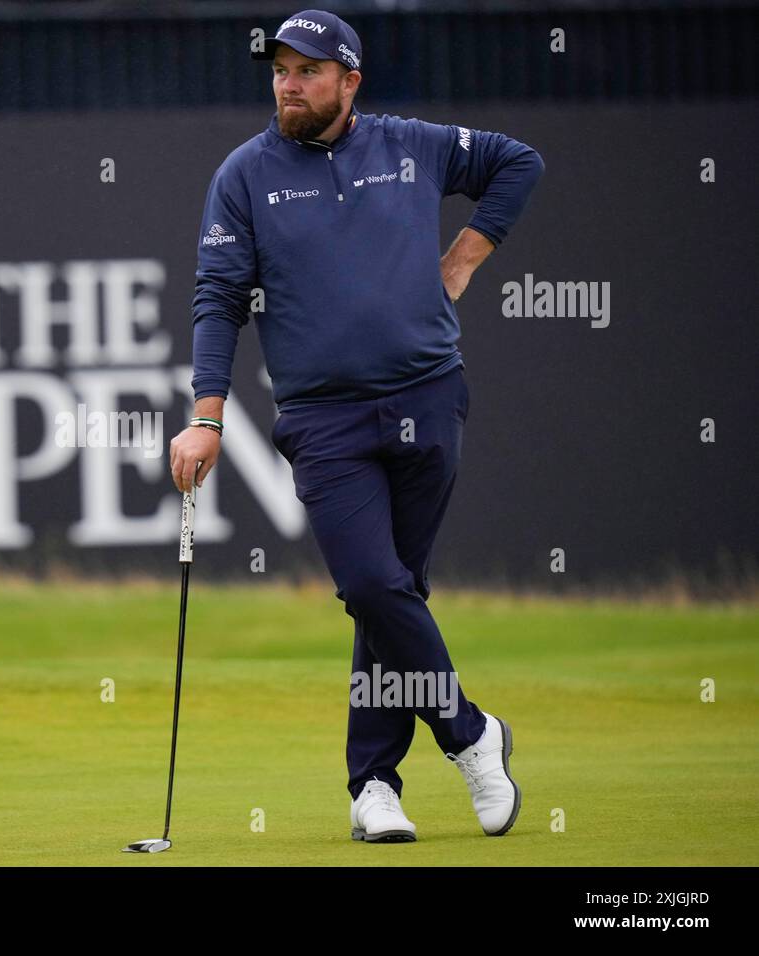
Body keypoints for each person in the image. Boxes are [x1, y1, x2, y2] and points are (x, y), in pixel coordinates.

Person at [169, 9, 544, 842]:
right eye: (279, 70)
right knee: (372, 584)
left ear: (349, 82)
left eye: (307, 71)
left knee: (395, 592)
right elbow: (219, 298)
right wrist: (206, 415)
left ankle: (373, 785)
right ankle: (472, 735)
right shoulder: (244, 176)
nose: (288, 84)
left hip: (428, 399)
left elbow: (519, 162)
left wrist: (463, 259)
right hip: (322, 421)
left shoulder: (412, 145)